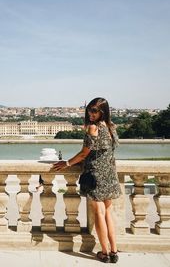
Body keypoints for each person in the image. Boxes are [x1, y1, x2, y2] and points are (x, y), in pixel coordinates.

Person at [53, 97, 122, 263]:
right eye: (89, 110)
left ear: (102, 112)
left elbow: (84, 153)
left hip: (96, 175)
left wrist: (67, 163)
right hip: (110, 174)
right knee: (108, 214)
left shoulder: (93, 128)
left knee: (99, 214)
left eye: (94, 111)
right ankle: (114, 251)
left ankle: (104, 253)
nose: (91, 114)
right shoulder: (111, 127)